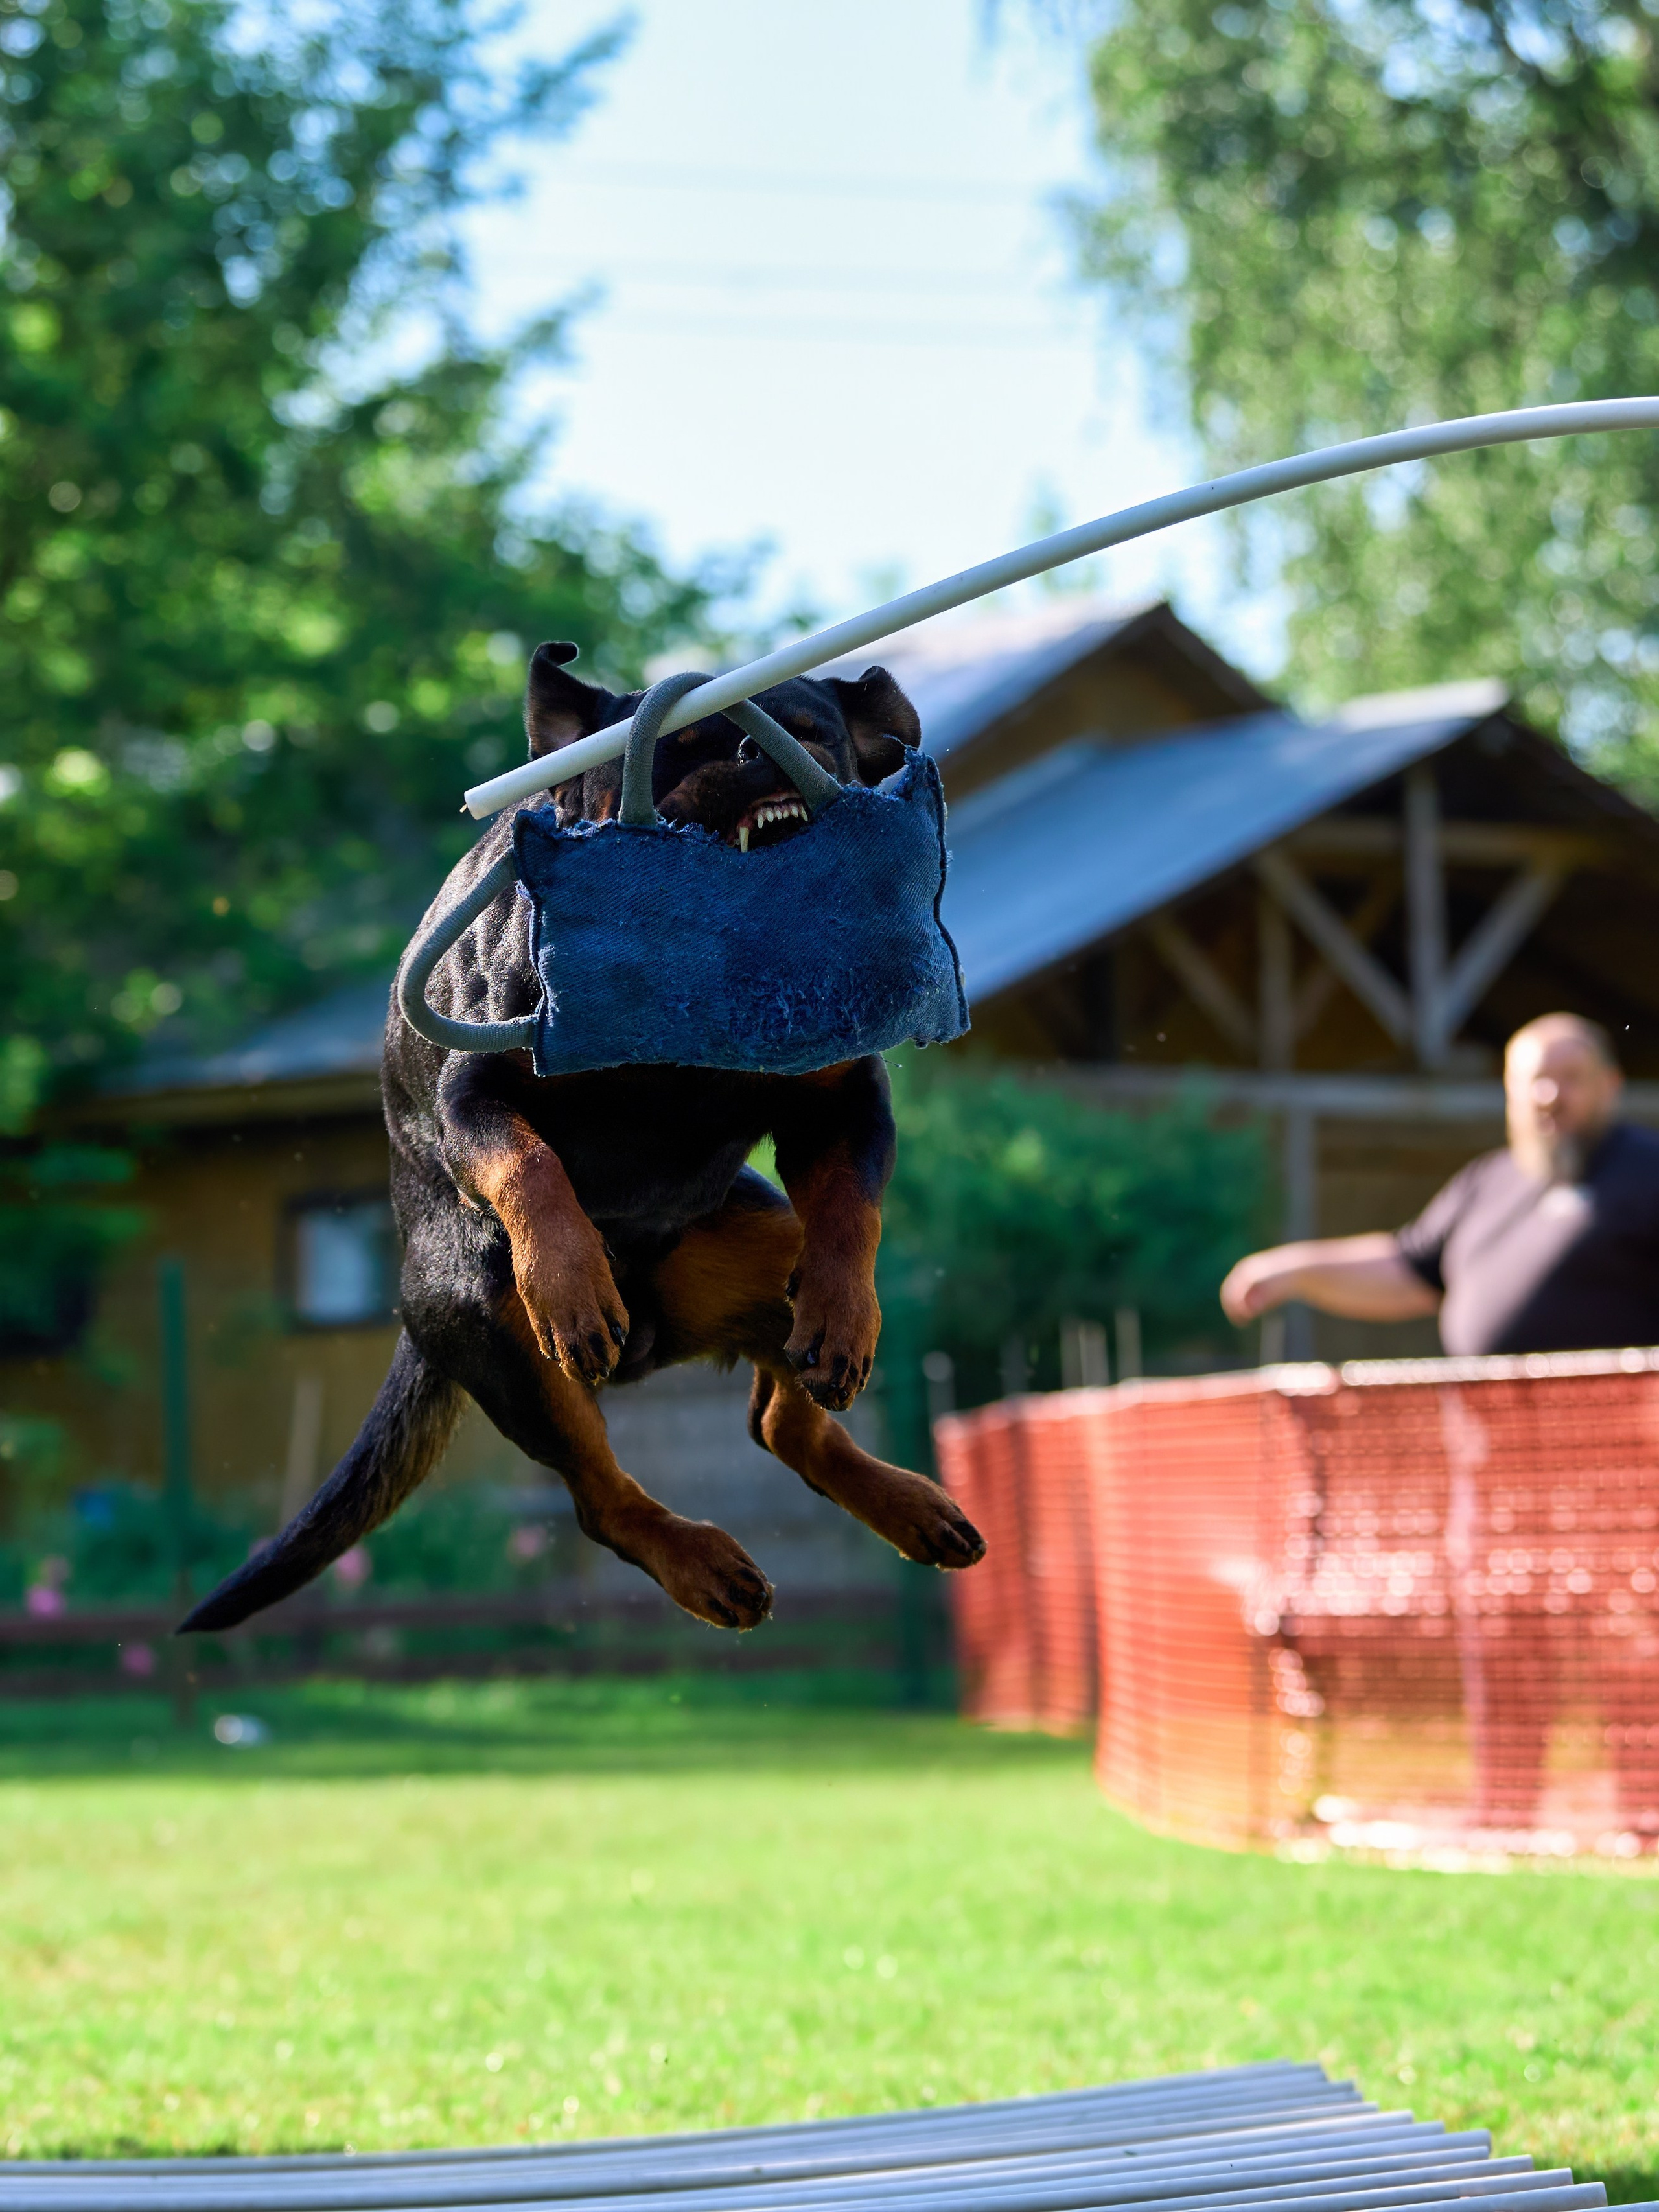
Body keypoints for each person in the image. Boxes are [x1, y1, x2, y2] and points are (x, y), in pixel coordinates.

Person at [1220, 1012, 1659, 1356]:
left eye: (1571, 1077)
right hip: (1487, 1437)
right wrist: (1295, 1270)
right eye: (1534, 1081)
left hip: (1626, 1438)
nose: (1549, 1096)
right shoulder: (1486, 1181)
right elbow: (1411, 1269)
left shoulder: (1647, 1170)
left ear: (1610, 1085)